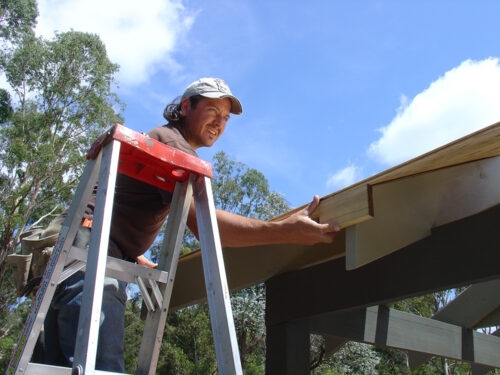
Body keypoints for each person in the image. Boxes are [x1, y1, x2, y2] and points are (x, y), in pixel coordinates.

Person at [43, 77, 339, 371]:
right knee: (101, 367)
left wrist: (134, 254)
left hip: (81, 251)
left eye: (225, 118)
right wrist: (284, 231)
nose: (219, 123)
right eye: (213, 111)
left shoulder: (162, 142)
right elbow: (207, 226)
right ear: (186, 107)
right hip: (92, 255)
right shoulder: (173, 144)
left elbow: (122, 205)